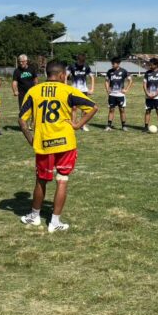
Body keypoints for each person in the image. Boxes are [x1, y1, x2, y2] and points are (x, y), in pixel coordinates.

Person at [18, 60, 98, 232]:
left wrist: (31, 140)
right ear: (62, 75)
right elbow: (93, 107)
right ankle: (54, 222)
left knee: (41, 181)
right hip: (66, 143)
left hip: (44, 143)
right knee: (62, 180)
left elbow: (22, 120)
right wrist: (77, 125)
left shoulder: (33, 91)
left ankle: (34, 216)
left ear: (47, 74)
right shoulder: (68, 90)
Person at [67, 53, 95, 132]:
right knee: (74, 108)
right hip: (74, 90)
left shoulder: (86, 67)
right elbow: (66, 76)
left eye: (83, 62)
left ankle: (83, 125)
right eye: (81, 62)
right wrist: (66, 86)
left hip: (84, 90)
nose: (82, 64)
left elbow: (92, 77)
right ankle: (73, 124)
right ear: (77, 60)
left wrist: (92, 89)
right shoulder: (72, 66)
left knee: (84, 109)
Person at [104, 56, 132, 131]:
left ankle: (124, 126)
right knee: (111, 110)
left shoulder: (123, 71)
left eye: (114, 63)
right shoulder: (109, 71)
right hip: (112, 94)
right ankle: (109, 126)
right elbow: (106, 81)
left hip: (120, 95)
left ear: (118, 64)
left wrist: (126, 89)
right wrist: (107, 89)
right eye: (112, 63)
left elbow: (130, 80)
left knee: (122, 110)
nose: (112, 65)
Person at [143, 57, 158, 133]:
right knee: (147, 111)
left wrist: (156, 94)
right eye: (149, 65)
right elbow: (144, 84)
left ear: (156, 65)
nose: (150, 66)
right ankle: (146, 127)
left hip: (157, 97)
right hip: (148, 96)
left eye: (151, 65)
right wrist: (147, 93)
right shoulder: (147, 73)